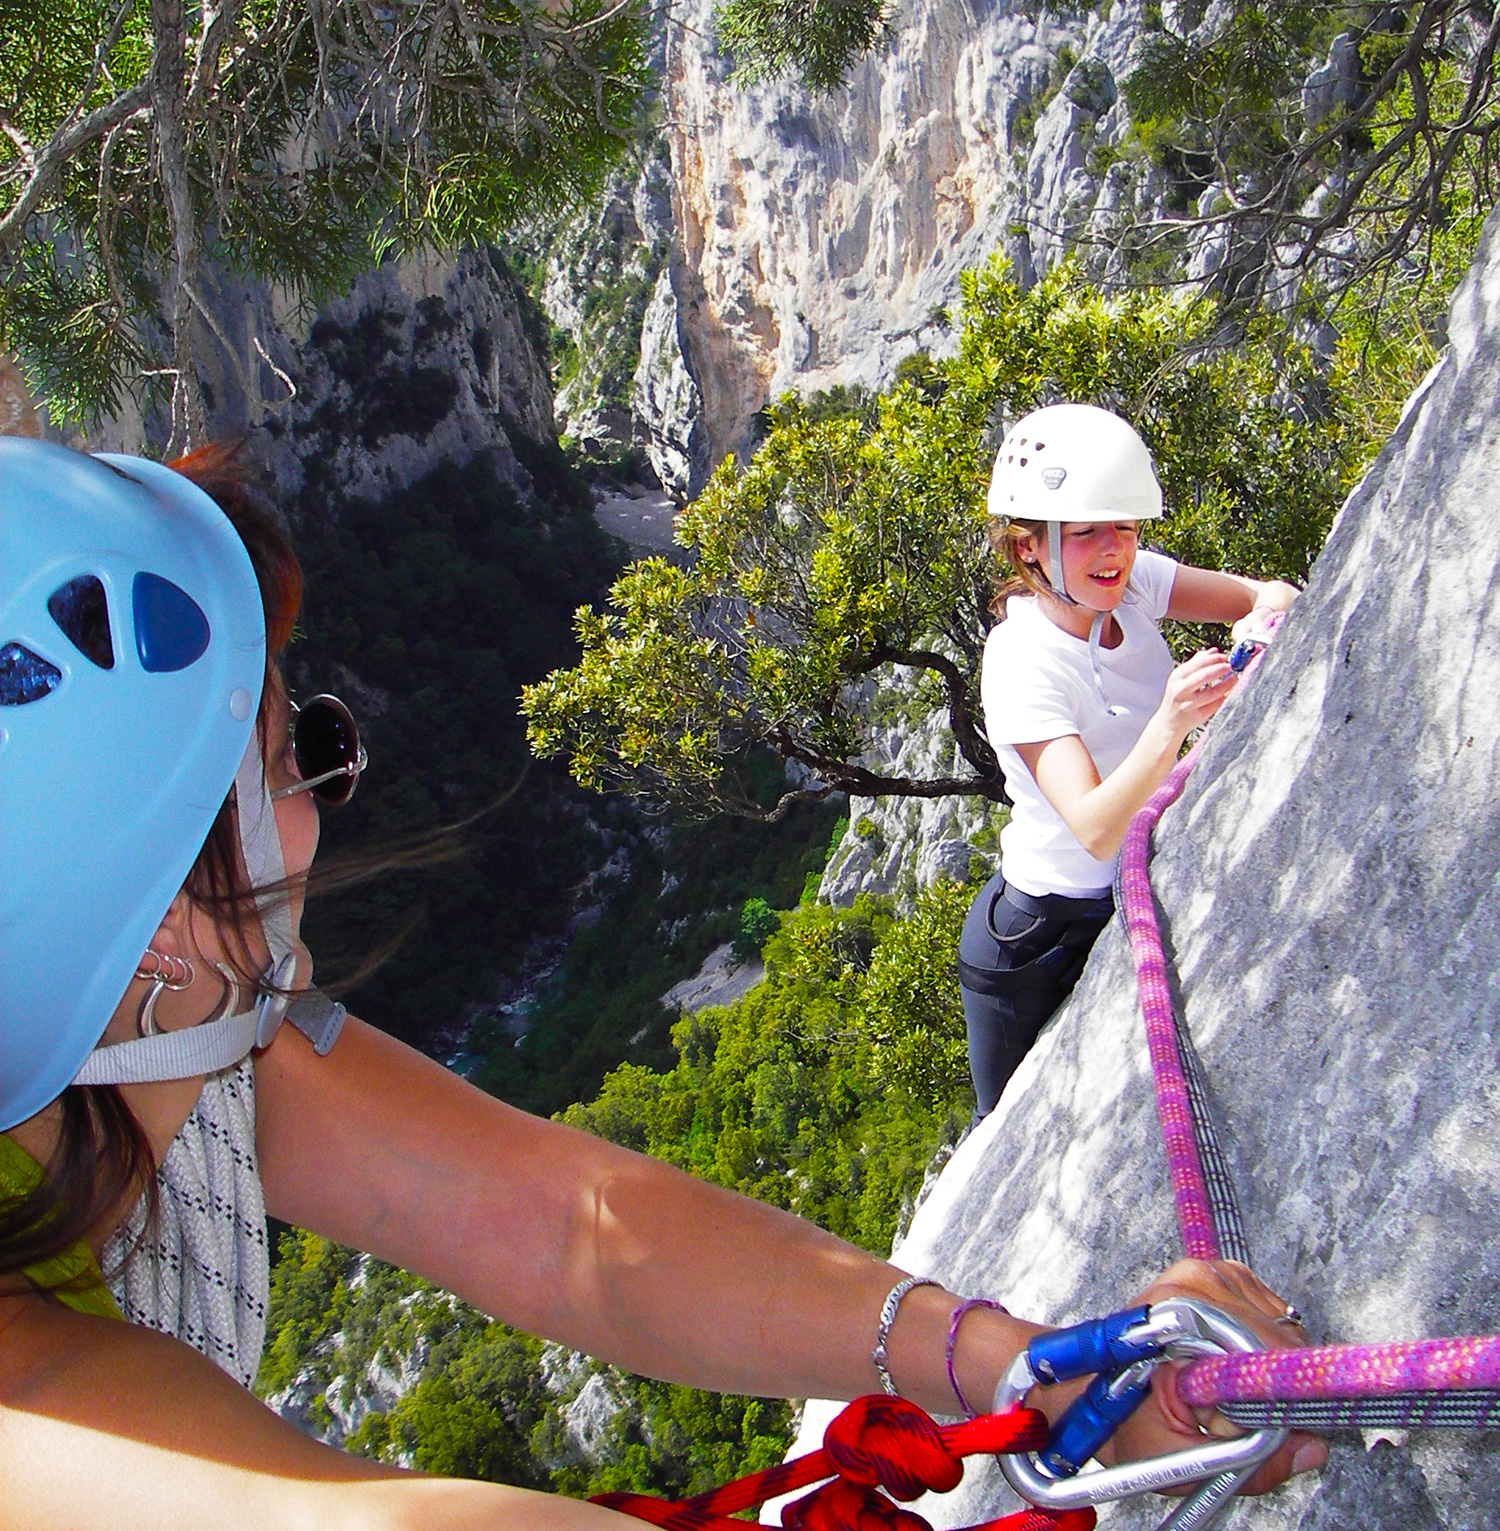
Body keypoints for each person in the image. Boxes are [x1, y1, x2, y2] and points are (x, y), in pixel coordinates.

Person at [0, 434, 1323, 1526]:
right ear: (162, 924)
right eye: (301, 752)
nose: (333, 796)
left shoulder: (197, 1050)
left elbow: (573, 1225)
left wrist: (1022, 1361)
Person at [961, 404, 1299, 1120]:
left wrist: (1259, 624)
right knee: (1013, 1132)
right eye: (1084, 531)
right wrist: (1173, 719)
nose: (1113, 547)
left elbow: (1263, 593)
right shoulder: (1022, 661)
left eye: (1124, 524)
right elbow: (1093, 827)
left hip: (1126, 887)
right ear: (1029, 549)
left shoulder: (1128, 578)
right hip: (1038, 938)